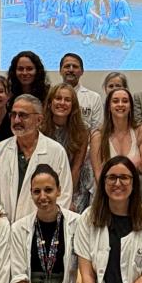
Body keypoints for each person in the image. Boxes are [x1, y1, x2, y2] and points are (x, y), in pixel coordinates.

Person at [0, 94, 74, 221]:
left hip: (41, 229)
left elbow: (63, 196)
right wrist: (2, 222)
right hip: (3, 228)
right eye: (13, 115)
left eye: (23, 115)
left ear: (39, 120)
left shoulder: (56, 151)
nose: (16, 120)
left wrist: (36, 225)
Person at [91, 88, 142, 206]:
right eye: (115, 101)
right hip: (107, 197)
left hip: (137, 196)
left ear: (130, 106)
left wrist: (140, 165)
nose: (120, 104)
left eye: (125, 101)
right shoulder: (98, 135)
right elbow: (98, 173)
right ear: (108, 106)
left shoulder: (141, 131)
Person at [43, 83, 93, 212]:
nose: (62, 103)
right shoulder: (40, 128)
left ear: (73, 105)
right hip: (44, 182)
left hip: (73, 185)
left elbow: (76, 167)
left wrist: (67, 198)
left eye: (67, 100)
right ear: (50, 103)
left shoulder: (82, 130)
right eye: (58, 98)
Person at [59, 53, 103, 133]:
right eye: (67, 66)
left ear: (82, 71)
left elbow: (96, 130)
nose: (71, 70)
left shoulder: (94, 98)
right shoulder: (51, 96)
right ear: (60, 71)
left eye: (75, 67)